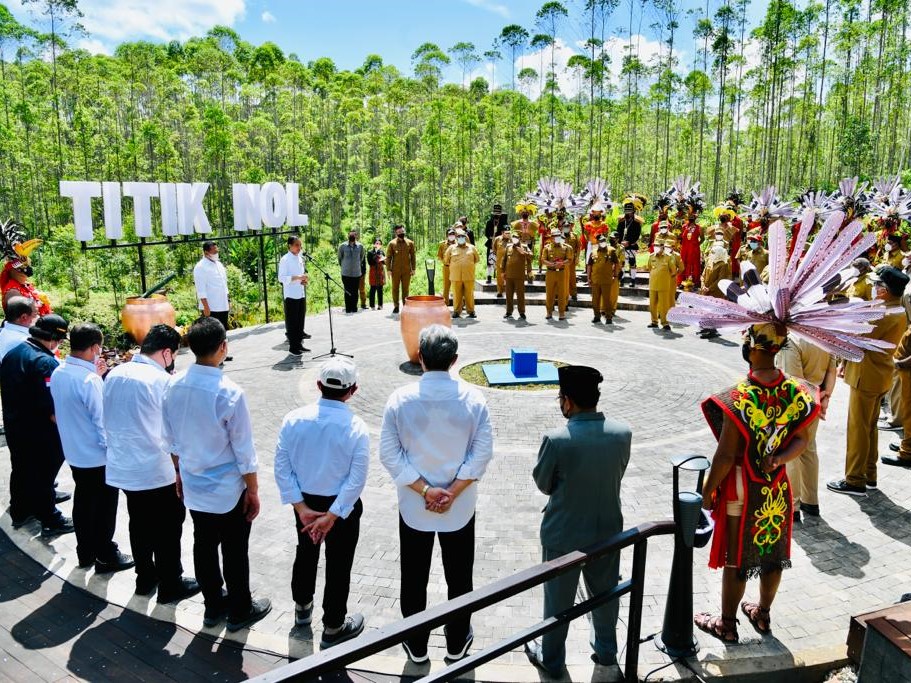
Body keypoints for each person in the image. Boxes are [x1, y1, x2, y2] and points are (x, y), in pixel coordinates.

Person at [694, 324, 819, 643]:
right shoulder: (796, 390)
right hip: (776, 489)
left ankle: (726, 624)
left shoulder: (740, 397)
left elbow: (724, 458)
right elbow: (802, 441)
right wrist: (778, 459)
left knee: (737, 558)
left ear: (751, 347)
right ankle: (762, 613)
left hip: (741, 491)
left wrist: (706, 494)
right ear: (777, 349)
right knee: (773, 554)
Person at [380, 325, 494, 664]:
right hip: (458, 509)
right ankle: (457, 641)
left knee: (413, 577)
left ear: (419, 358)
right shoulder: (474, 399)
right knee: (459, 577)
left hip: (415, 506)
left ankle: (416, 644)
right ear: (455, 360)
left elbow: (389, 454)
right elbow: (482, 453)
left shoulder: (400, 399)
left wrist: (426, 490)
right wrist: (453, 491)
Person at [162, 317, 270, 631]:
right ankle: (240, 608)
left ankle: (213, 606)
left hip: (194, 483)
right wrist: (253, 490)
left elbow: (171, 439)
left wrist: (178, 473)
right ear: (223, 347)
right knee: (235, 549)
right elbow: (244, 450)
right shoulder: (229, 392)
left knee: (203, 544)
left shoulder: (173, 385)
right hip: (228, 488)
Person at [524, 366, 629, 678]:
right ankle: (607, 651)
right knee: (605, 594)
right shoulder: (622, 433)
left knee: (558, 601)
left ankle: (552, 658)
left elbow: (544, 484)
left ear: (567, 401)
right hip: (608, 527)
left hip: (563, 533)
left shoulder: (556, 440)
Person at [273, 358, 368, 647]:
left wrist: (301, 508)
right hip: (341, 508)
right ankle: (334, 626)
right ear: (353, 390)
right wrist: (333, 515)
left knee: (305, 554)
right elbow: (357, 479)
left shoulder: (294, 419)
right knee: (339, 564)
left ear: (318, 386)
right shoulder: (356, 427)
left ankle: (302, 609)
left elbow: (281, 466)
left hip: (306, 504)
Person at [104, 324, 200, 602]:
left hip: (124, 466)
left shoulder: (115, 373)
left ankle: (145, 578)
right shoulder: (161, 381)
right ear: (167, 353)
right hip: (157, 470)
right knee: (169, 527)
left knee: (139, 523)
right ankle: (171, 583)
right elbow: (176, 430)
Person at [50, 323, 133, 573]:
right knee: (104, 508)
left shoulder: (60, 372)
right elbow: (102, 424)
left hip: (75, 453)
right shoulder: (88, 381)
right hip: (97, 456)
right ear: (95, 347)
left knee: (84, 504)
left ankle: (85, 552)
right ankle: (106, 554)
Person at [828, 266, 909, 496]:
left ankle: (854, 479)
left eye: (876, 285)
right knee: (868, 428)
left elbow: (854, 336)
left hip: (866, 376)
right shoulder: (896, 310)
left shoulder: (884, 314)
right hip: (878, 375)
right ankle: (869, 475)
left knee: (858, 429)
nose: (873, 288)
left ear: (884, 291)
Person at [1, 314, 71, 534]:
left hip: (16, 425)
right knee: (43, 474)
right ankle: (49, 518)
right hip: (39, 432)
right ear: (53, 339)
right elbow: (51, 409)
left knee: (22, 469)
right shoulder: (45, 362)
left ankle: (21, 510)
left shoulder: (15, 353)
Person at [774, 337, 836, 521]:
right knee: (809, 448)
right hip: (816, 399)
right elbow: (831, 370)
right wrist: (825, 398)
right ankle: (811, 501)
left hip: (798, 403)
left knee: (792, 449)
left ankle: (792, 505)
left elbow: (793, 380)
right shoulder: (824, 335)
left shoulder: (792, 340)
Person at [0, 218, 51, 314]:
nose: (25, 273)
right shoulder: (13, 289)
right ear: (13, 271)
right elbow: (20, 316)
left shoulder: (26, 285)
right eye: (20, 270)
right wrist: (38, 304)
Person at [193, 241, 232, 361]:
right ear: (206, 252)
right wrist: (206, 307)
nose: (216, 253)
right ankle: (213, 358)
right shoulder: (200, 267)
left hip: (222, 304)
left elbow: (224, 285)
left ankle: (222, 354)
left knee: (222, 331)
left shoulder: (218, 264)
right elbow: (201, 289)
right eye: (213, 251)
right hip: (211, 306)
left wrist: (228, 300)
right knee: (212, 334)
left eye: (217, 250)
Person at [278, 235, 310, 356]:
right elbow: (281, 278)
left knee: (300, 321)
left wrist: (303, 280)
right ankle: (293, 347)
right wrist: (298, 278)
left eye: (300, 245)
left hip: (300, 293)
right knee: (292, 322)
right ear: (289, 246)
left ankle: (299, 344)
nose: (299, 247)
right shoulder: (285, 259)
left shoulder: (300, 258)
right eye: (296, 245)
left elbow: (301, 275)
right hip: (291, 295)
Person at [698, 241, 732, 339]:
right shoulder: (709, 261)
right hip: (705, 290)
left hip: (715, 291)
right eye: (711, 252)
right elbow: (703, 275)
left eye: (713, 253)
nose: (711, 254)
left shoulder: (723, 264)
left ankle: (712, 330)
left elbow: (720, 280)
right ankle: (706, 327)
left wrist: (709, 288)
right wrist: (703, 285)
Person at [445, 229, 479, 319]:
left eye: (462, 236)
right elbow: (446, 260)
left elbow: (477, 259)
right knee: (456, 294)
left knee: (469, 294)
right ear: (456, 238)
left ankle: (471, 311)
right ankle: (456, 311)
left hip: (469, 276)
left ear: (465, 237)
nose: (461, 238)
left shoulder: (472, 248)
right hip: (455, 276)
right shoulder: (451, 248)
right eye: (459, 237)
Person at [542, 227, 574, 321]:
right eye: (555, 236)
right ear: (551, 237)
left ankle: (561, 313)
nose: (557, 237)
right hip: (550, 272)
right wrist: (551, 264)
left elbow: (569, 260)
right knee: (549, 293)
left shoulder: (566, 247)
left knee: (562, 293)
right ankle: (549, 312)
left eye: (558, 236)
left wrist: (562, 263)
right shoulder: (547, 248)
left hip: (561, 272)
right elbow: (543, 260)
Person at [587, 234, 621, 324]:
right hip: (595, 280)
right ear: (598, 242)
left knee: (607, 300)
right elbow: (589, 266)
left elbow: (617, 264)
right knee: (595, 300)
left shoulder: (611, 251)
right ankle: (596, 316)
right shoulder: (593, 252)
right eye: (600, 241)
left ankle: (608, 317)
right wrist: (588, 278)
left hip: (606, 279)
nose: (602, 243)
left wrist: (615, 275)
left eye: (604, 241)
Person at [647, 239, 678, 331]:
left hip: (664, 286)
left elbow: (673, 271)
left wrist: (665, 278)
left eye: (658, 246)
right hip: (653, 285)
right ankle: (654, 321)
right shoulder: (651, 256)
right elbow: (649, 268)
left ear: (662, 247)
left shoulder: (668, 257)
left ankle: (665, 323)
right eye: (655, 245)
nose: (656, 247)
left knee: (664, 306)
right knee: (652, 305)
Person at [501, 231, 532, 320]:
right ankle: (508, 312)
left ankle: (522, 312)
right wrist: (502, 272)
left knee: (520, 295)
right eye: (513, 237)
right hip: (509, 275)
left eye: (516, 237)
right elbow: (504, 260)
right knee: (509, 295)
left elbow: (532, 257)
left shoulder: (525, 247)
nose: (514, 238)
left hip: (519, 276)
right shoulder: (508, 247)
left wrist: (524, 253)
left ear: (519, 238)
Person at [386, 225, 416, 314]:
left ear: (404, 231)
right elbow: (388, 257)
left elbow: (413, 257)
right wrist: (388, 269)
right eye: (399, 232)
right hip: (395, 270)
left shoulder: (410, 243)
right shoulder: (392, 243)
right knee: (395, 288)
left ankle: (405, 306)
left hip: (407, 270)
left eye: (402, 231)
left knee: (405, 289)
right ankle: (396, 306)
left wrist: (413, 268)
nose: (401, 233)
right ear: (396, 233)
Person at [616, 197, 644, 286]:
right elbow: (618, 233)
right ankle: (622, 279)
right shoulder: (621, 222)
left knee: (632, 263)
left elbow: (637, 235)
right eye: (626, 211)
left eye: (629, 212)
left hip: (631, 246)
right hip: (622, 246)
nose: (627, 213)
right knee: (622, 263)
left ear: (633, 212)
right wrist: (620, 242)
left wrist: (629, 242)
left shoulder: (636, 223)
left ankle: (632, 280)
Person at [0, 296, 38, 362]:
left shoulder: (4, 331)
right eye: (36, 313)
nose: (38, 317)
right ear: (24, 317)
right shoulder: (23, 341)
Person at [338, 230, 365, 314]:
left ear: (356, 236)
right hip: (346, 273)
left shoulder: (360, 246)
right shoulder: (342, 246)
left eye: (354, 234)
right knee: (347, 290)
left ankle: (354, 307)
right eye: (351, 234)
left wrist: (356, 265)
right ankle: (348, 308)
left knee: (355, 291)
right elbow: (340, 258)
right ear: (348, 235)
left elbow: (361, 258)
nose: (352, 236)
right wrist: (345, 266)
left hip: (356, 273)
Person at [484, 204, 509, 285]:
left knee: (501, 261)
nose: (497, 216)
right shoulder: (489, 222)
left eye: (498, 214)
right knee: (489, 261)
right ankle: (489, 277)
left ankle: (502, 277)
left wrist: (499, 238)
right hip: (491, 243)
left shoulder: (504, 223)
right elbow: (486, 233)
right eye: (496, 214)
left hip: (500, 244)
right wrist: (491, 237)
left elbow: (506, 233)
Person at [437, 228, 456, 305]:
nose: (451, 236)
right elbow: (439, 256)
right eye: (450, 234)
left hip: (456, 268)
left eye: (453, 234)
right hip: (446, 267)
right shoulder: (442, 244)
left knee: (457, 286)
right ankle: (445, 303)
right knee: (446, 286)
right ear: (447, 235)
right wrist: (445, 262)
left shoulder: (458, 244)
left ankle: (459, 304)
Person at [367, 238, 386, 310]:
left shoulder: (382, 252)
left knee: (380, 289)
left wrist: (384, 259)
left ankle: (380, 305)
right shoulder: (370, 252)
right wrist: (376, 256)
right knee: (373, 289)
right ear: (374, 244)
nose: (378, 245)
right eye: (377, 243)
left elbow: (384, 263)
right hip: (373, 272)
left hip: (380, 272)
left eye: (379, 243)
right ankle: (372, 305)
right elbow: (370, 262)